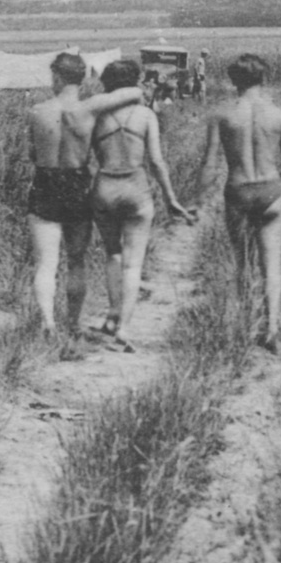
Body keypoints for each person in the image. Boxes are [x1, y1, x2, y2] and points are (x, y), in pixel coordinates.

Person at [193, 53, 281, 352]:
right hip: (271, 191)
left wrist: (196, 201)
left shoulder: (222, 116)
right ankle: (271, 328)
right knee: (271, 266)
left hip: (238, 191)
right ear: (264, 78)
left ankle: (246, 324)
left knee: (242, 264)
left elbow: (209, 165)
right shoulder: (279, 116)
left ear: (234, 80)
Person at [25, 52, 147, 339]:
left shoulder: (36, 111)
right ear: (80, 80)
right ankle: (72, 322)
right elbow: (135, 92)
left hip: (45, 181)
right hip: (77, 182)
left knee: (46, 262)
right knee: (76, 260)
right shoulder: (90, 108)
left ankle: (48, 322)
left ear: (56, 77)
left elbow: (31, 154)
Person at [88, 59, 196, 350]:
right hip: (136, 187)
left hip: (105, 186)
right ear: (134, 83)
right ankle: (124, 327)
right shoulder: (146, 115)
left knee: (113, 254)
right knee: (134, 264)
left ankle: (112, 314)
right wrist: (172, 198)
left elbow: (86, 155)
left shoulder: (96, 116)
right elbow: (157, 162)